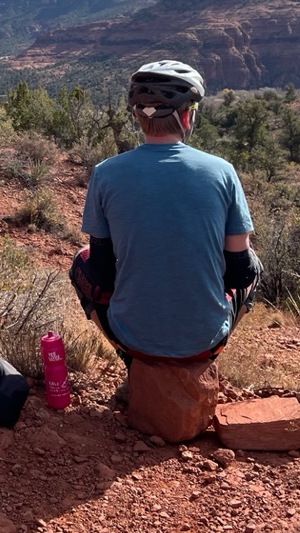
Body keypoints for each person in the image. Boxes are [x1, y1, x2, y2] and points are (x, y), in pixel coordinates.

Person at [70, 59, 260, 375]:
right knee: (253, 264)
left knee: (82, 260)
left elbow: (100, 271)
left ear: (137, 115)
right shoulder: (222, 172)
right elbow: (240, 273)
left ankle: (134, 366)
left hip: (132, 339)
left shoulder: (105, 174)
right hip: (204, 341)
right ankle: (202, 365)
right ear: (187, 116)